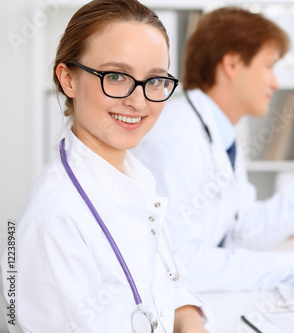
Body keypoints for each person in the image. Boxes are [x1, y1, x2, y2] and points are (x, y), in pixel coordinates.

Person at [133, 7, 294, 292]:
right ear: (232, 64)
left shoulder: (219, 135)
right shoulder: (176, 136)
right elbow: (177, 265)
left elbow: (243, 231)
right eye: (269, 66)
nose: (275, 82)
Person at [0, 0, 209, 332]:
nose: (138, 102)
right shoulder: (54, 218)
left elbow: (170, 287)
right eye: (116, 76)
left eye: (154, 80)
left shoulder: (137, 181)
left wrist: (188, 318)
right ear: (68, 79)